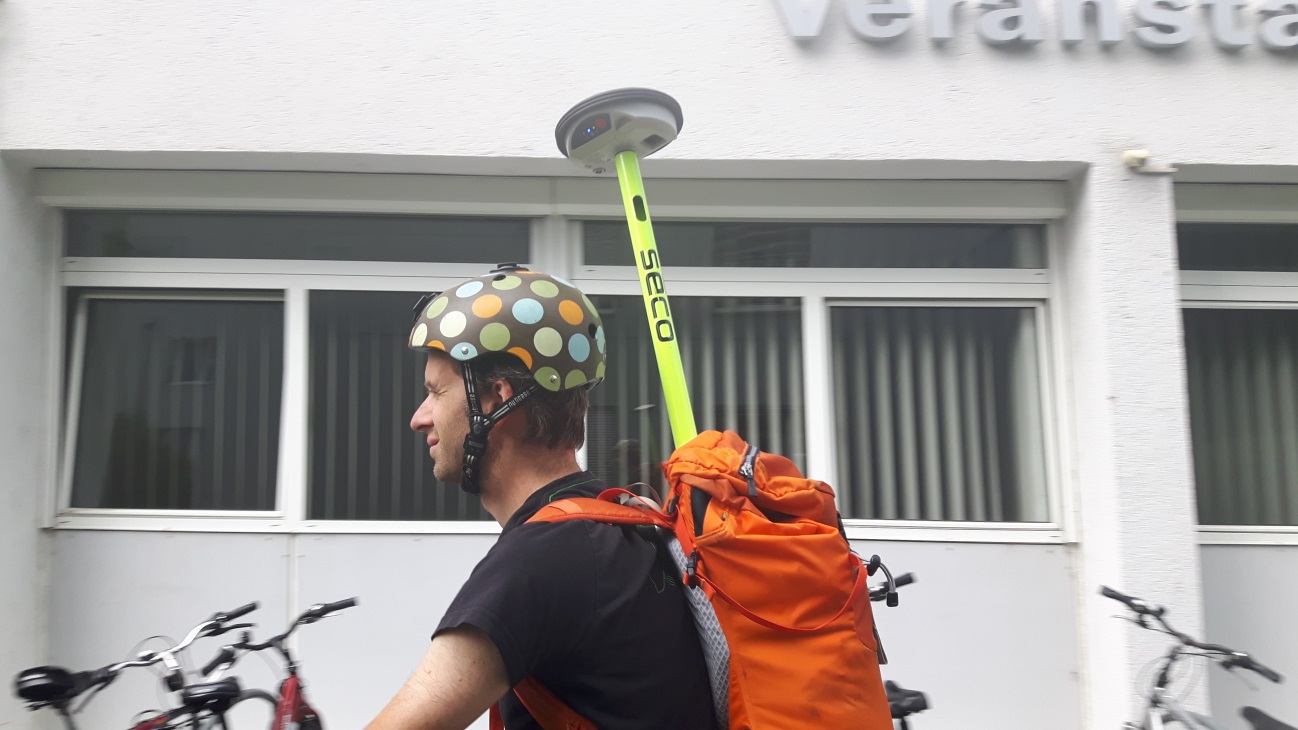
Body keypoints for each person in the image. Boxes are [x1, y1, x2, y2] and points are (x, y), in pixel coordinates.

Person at [366, 264, 716, 730]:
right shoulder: (626, 524)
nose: (419, 417)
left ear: (497, 397)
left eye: (435, 392)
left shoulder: (544, 558)